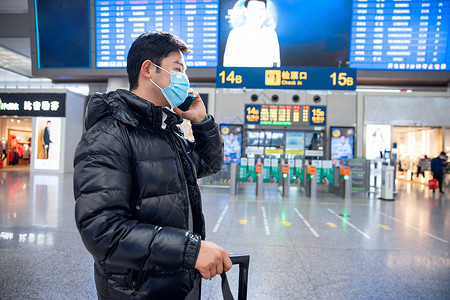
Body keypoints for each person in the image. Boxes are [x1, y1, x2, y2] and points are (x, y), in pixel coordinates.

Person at [73, 31, 232, 299]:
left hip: (175, 281)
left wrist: (202, 121)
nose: (185, 79)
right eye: (177, 69)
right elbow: (101, 230)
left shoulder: (167, 131)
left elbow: (208, 163)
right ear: (149, 69)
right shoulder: (109, 135)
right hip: (136, 290)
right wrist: (190, 250)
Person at [223, 0, 280, 67]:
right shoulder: (235, 35)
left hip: (263, 76)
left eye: (261, 9)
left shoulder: (271, 35)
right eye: (254, 9)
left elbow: (275, 65)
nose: (258, 13)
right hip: (241, 76)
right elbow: (228, 65)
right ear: (246, 12)